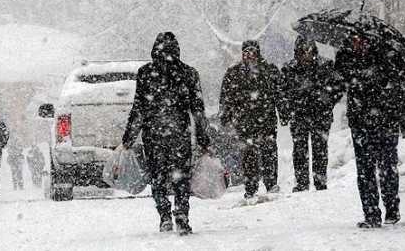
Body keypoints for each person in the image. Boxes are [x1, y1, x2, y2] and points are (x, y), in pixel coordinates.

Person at [122, 32, 210, 236]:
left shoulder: (145, 73)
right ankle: (181, 214)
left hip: (154, 135)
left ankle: (164, 216)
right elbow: (198, 110)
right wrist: (204, 139)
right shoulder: (189, 73)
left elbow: (139, 109)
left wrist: (128, 138)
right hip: (179, 133)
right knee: (181, 177)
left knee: (158, 177)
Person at [335, 35, 405, 228]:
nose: (357, 43)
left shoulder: (388, 55)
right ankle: (371, 213)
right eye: (353, 39)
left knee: (387, 166)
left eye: (360, 39)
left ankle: (391, 208)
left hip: (386, 120)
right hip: (360, 122)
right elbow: (337, 86)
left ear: (369, 39)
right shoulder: (346, 57)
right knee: (365, 170)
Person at [219, 40, 283, 200]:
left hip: (266, 120)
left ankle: (271, 183)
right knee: (249, 155)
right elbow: (226, 97)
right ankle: (251, 186)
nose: (249, 55)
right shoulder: (234, 73)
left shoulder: (269, 71)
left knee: (269, 152)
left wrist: (284, 112)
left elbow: (280, 94)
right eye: (246, 52)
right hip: (244, 121)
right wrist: (225, 116)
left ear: (258, 52)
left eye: (252, 51)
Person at [280, 36, 343, 192]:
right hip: (299, 115)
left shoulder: (326, 66)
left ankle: (320, 181)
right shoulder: (289, 69)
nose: (306, 55)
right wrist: (288, 109)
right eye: (303, 51)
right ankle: (302, 183)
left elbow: (339, 86)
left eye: (309, 51)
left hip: (320, 115)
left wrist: (328, 101)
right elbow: (281, 92)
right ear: (297, 52)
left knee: (320, 148)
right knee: (300, 149)